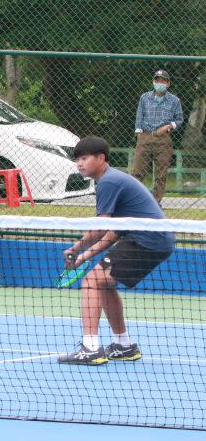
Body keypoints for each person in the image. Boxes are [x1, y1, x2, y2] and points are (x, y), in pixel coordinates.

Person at [58, 136, 174, 365]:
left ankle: (90, 348)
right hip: (149, 239)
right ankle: (124, 345)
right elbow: (113, 233)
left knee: (91, 281)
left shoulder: (109, 182)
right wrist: (83, 256)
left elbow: (101, 229)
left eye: (84, 158)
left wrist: (76, 247)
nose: (79, 163)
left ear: (101, 158)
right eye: (77, 159)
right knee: (104, 283)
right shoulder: (113, 179)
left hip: (148, 241)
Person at [131, 69, 184, 204]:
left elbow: (179, 119)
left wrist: (168, 126)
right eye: (157, 80)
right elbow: (139, 116)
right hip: (145, 136)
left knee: (161, 175)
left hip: (163, 139)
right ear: (153, 82)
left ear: (168, 83)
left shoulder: (174, 100)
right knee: (137, 172)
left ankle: (155, 203)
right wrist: (139, 134)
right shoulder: (144, 97)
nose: (159, 83)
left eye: (163, 81)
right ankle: (132, 200)